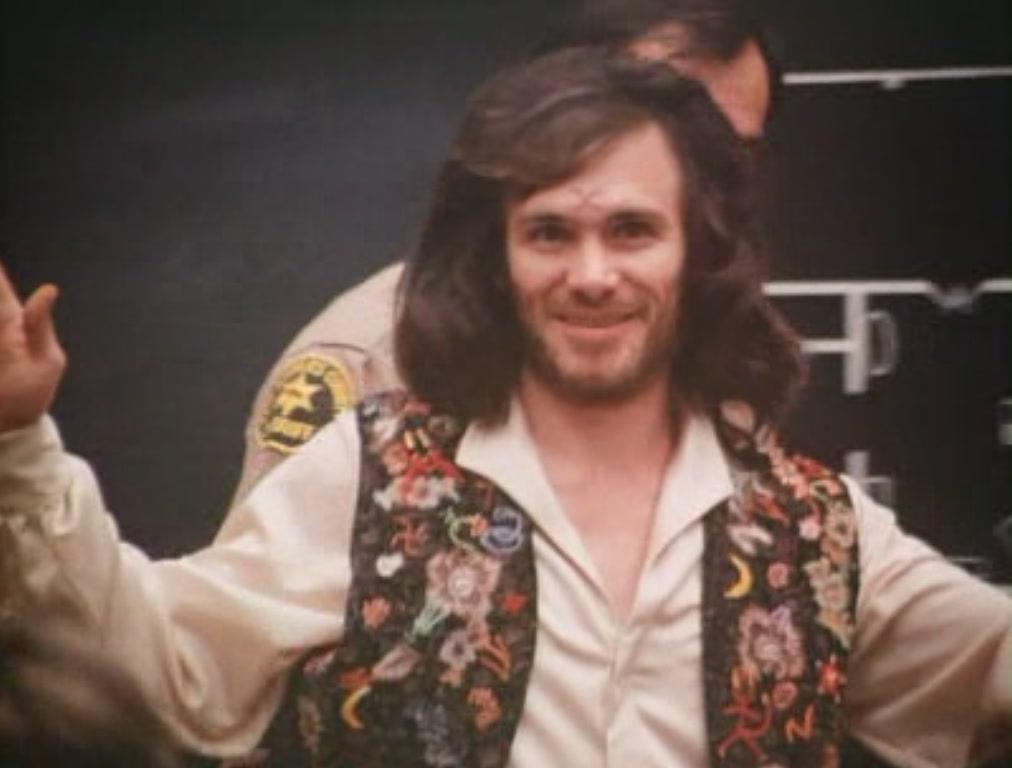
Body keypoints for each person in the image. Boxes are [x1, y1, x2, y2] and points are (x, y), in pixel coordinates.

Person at [1, 46, 1009, 768]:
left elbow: (990, 674)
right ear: (497, 258)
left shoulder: (813, 527)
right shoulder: (369, 477)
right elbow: (149, 683)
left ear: (696, 253)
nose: (592, 274)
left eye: (631, 230)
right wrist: (17, 441)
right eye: (549, 233)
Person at [233, 0, 776, 504]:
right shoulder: (370, 360)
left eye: (734, 152)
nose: (706, 179)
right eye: (668, 131)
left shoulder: (727, 342)